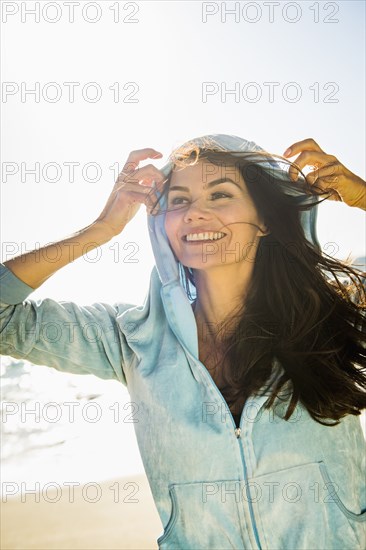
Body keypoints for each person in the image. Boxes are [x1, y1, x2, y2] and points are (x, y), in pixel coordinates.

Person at [1, 134, 365, 549]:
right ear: (162, 226)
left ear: (264, 219)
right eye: (179, 201)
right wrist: (99, 230)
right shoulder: (130, 338)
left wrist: (363, 197)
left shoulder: (331, 313)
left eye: (220, 194)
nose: (196, 213)